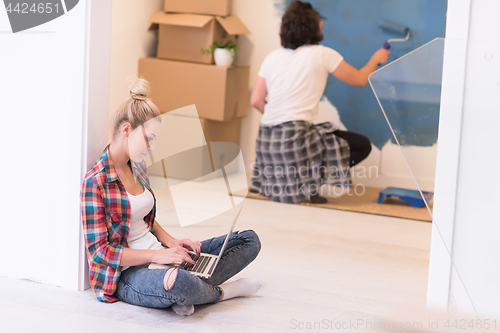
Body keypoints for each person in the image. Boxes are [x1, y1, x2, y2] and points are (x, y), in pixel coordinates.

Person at [81, 78, 261, 316]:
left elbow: (142, 217)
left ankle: (184, 292)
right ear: (126, 130)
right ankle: (222, 292)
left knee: (248, 241)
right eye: (149, 138)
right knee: (179, 282)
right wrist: (159, 255)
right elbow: (100, 252)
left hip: (162, 255)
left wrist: (171, 242)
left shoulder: (138, 166)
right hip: (130, 273)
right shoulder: (95, 182)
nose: (152, 147)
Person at [249, 0, 390, 204]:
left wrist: (281, 120)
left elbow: (256, 100)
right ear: (309, 26)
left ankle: (304, 185)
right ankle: (308, 186)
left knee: (321, 133)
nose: (322, 24)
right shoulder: (322, 54)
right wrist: (376, 59)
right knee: (362, 145)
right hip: (293, 142)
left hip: (265, 145)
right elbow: (360, 79)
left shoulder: (272, 57)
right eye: (318, 21)